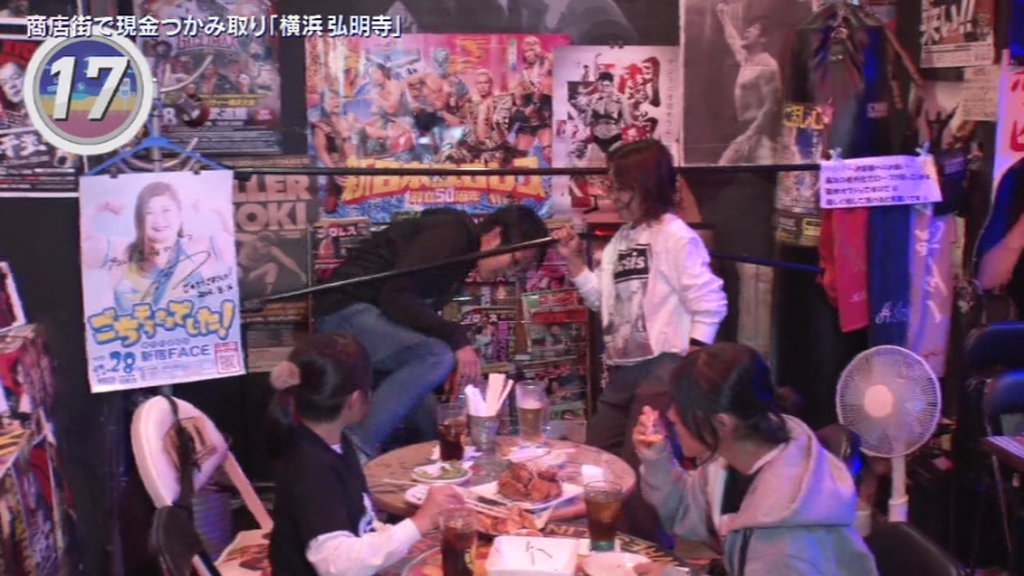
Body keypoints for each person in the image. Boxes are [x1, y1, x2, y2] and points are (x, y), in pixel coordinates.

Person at [553, 139, 728, 542]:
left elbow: (710, 303)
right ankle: (608, 547)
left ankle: (649, 555)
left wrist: (690, 366)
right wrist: (575, 260)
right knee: (598, 460)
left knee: (645, 472)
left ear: (645, 186)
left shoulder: (674, 236)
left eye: (620, 187)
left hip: (663, 366)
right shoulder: (622, 238)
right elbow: (602, 301)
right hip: (623, 369)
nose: (612, 196)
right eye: (611, 186)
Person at [313, 205, 549, 459]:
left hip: (367, 318)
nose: (511, 272)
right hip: (344, 312)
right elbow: (396, 297)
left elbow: (407, 310)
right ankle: (355, 450)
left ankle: (436, 469)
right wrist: (457, 342)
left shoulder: (461, 254)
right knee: (436, 356)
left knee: (426, 409)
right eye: (515, 261)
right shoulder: (452, 233)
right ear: (495, 235)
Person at [631, 342, 877, 576]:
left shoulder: (784, 543)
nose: (671, 415)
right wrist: (657, 458)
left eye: (681, 409)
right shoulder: (735, 457)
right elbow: (685, 510)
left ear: (721, 424)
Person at [268, 333, 466, 576]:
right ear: (355, 399)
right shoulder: (312, 467)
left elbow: (362, 525)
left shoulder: (336, 444)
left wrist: (413, 526)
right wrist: (421, 521)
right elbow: (338, 566)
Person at [81, 181, 236, 314]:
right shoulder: (123, 252)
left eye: (166, 210)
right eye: (149, 212)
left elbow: (236, 241)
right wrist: (98, 208)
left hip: (193, 337)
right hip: (132, 337)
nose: (159, 220)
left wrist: (217, 208)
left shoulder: (199, 251)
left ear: (180, 214)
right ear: (140, 219)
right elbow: (80, 244)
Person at [715, 5, 781, 165]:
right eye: (749, 27)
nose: (748, 30)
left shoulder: (768, 65)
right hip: (744, 130)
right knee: (723, 168)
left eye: (755, 28)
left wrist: (751, 134)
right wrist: (723, 16)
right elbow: (732, 39)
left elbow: (771, 105)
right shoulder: (746, 59)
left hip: (760, 134)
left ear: (763, 39)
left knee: (764, 174)